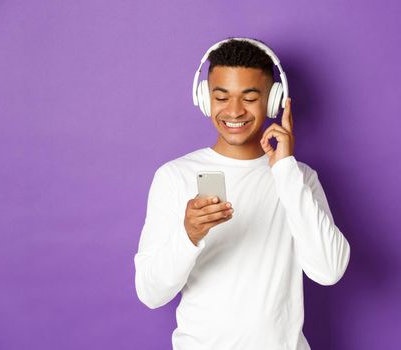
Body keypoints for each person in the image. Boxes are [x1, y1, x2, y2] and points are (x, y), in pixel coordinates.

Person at [134, 37, 351, 350]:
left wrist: (285, 169)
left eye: (249, 97)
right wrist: (189, 235)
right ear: (205, 99)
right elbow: (150, 293)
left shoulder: (297, 177)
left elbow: (329, 270)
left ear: (274, 100)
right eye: (221, 97)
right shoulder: (174, 177)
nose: (234, 110)